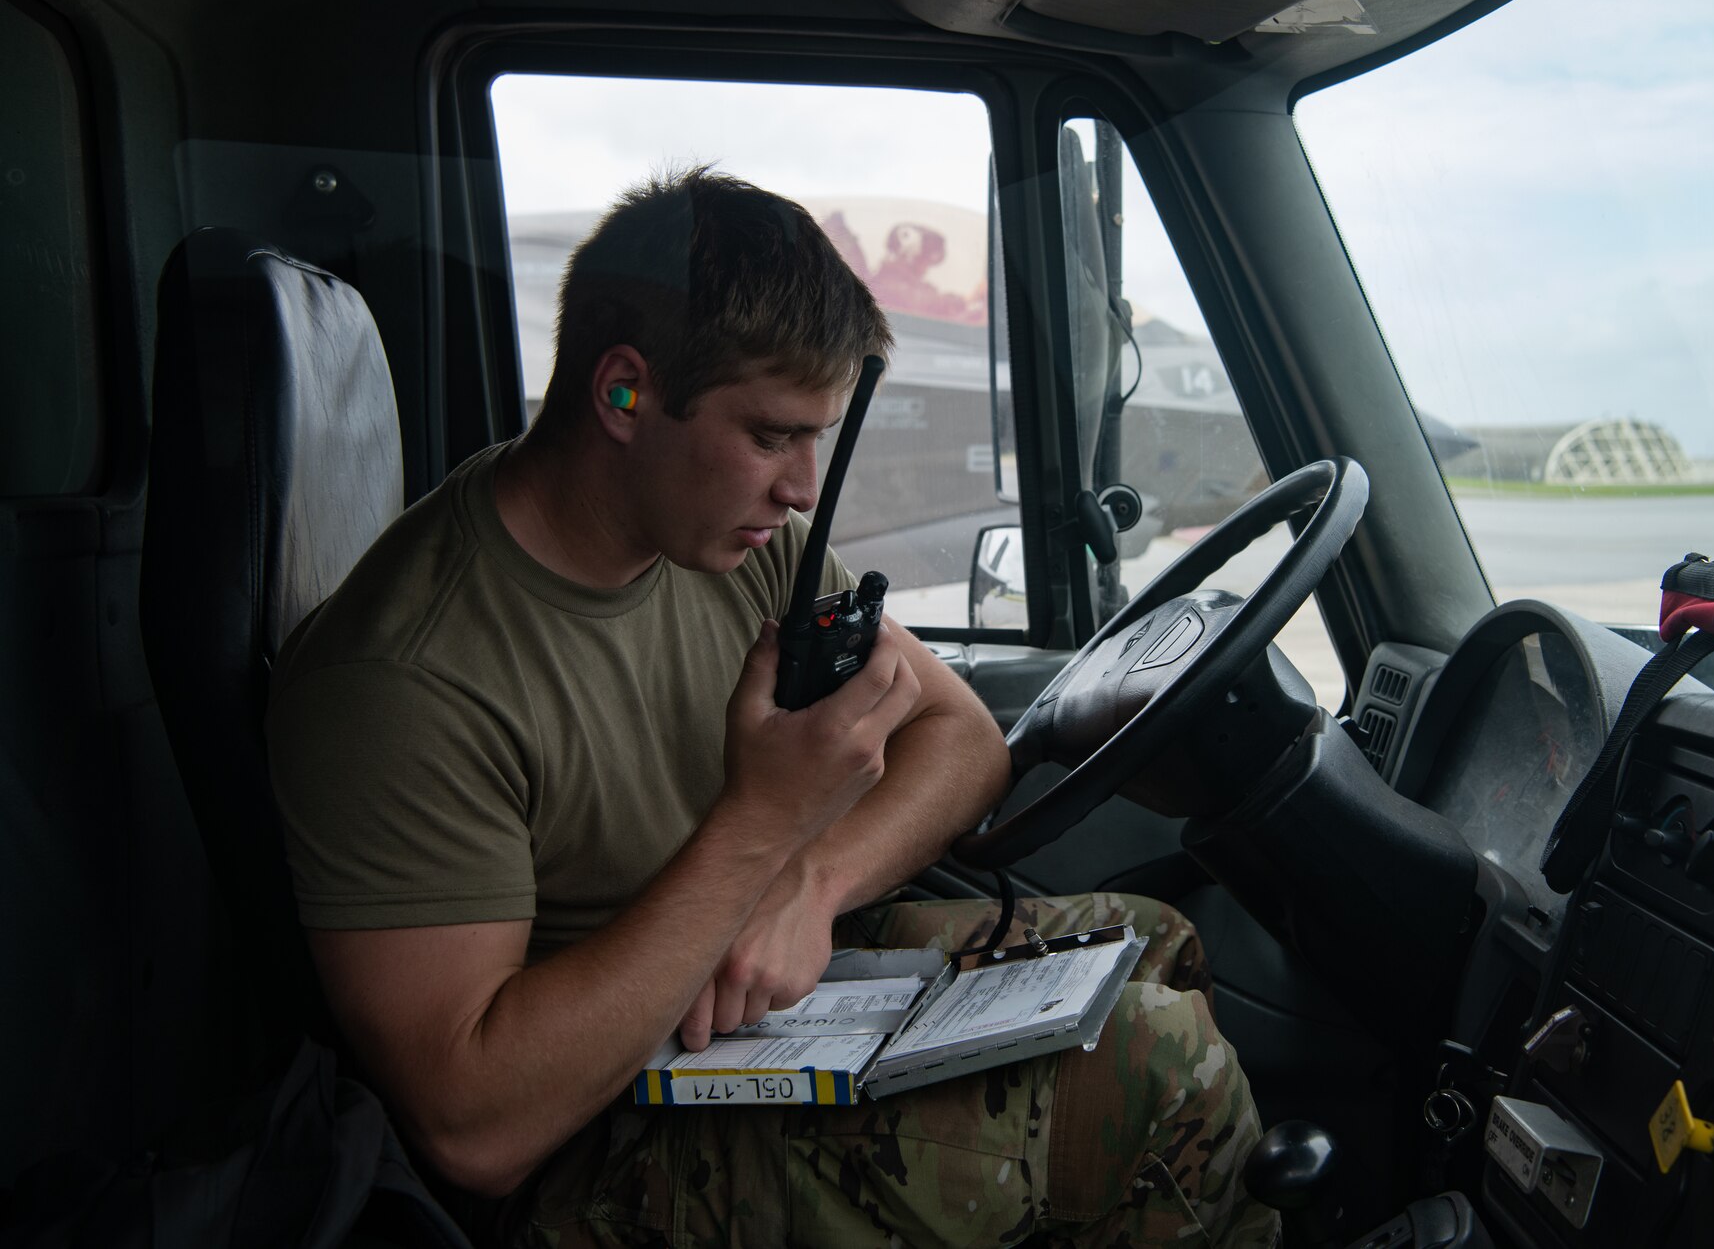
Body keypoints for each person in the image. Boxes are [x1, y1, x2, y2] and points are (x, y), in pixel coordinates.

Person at [266, 166, 1277, 1247]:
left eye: (816, 439)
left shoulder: (736, 544)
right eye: (770, 436)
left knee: (1154, 945)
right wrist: (759, 825)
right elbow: (477, 1128)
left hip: (738, 1028)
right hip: (586, 1149)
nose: (802, 485)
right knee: (1159, 1069)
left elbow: (962, 740)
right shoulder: (404, 676)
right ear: (621, 393)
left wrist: (809, 879)